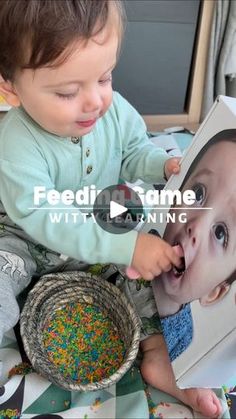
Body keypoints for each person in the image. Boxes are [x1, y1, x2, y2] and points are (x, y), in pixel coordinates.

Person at [0, 1, 220, 417]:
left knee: (155, 268)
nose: (94, 102)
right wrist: (125, 248)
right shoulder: (15, 143)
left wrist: (161, 164)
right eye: (67, 92)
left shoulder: (113, 109)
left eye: (104, 78)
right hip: (28, 239)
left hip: (105, 222)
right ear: (10, 88)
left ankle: (157, 355)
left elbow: (134, 150)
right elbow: (47, 218)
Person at [142, 130, 236, 416]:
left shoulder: (183, 338)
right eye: (198, 194)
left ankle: (157, 357)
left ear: (214, 292)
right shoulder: (139, 243)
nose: (196, 225)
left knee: (165, 349)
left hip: (159, 345)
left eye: (220, 233)